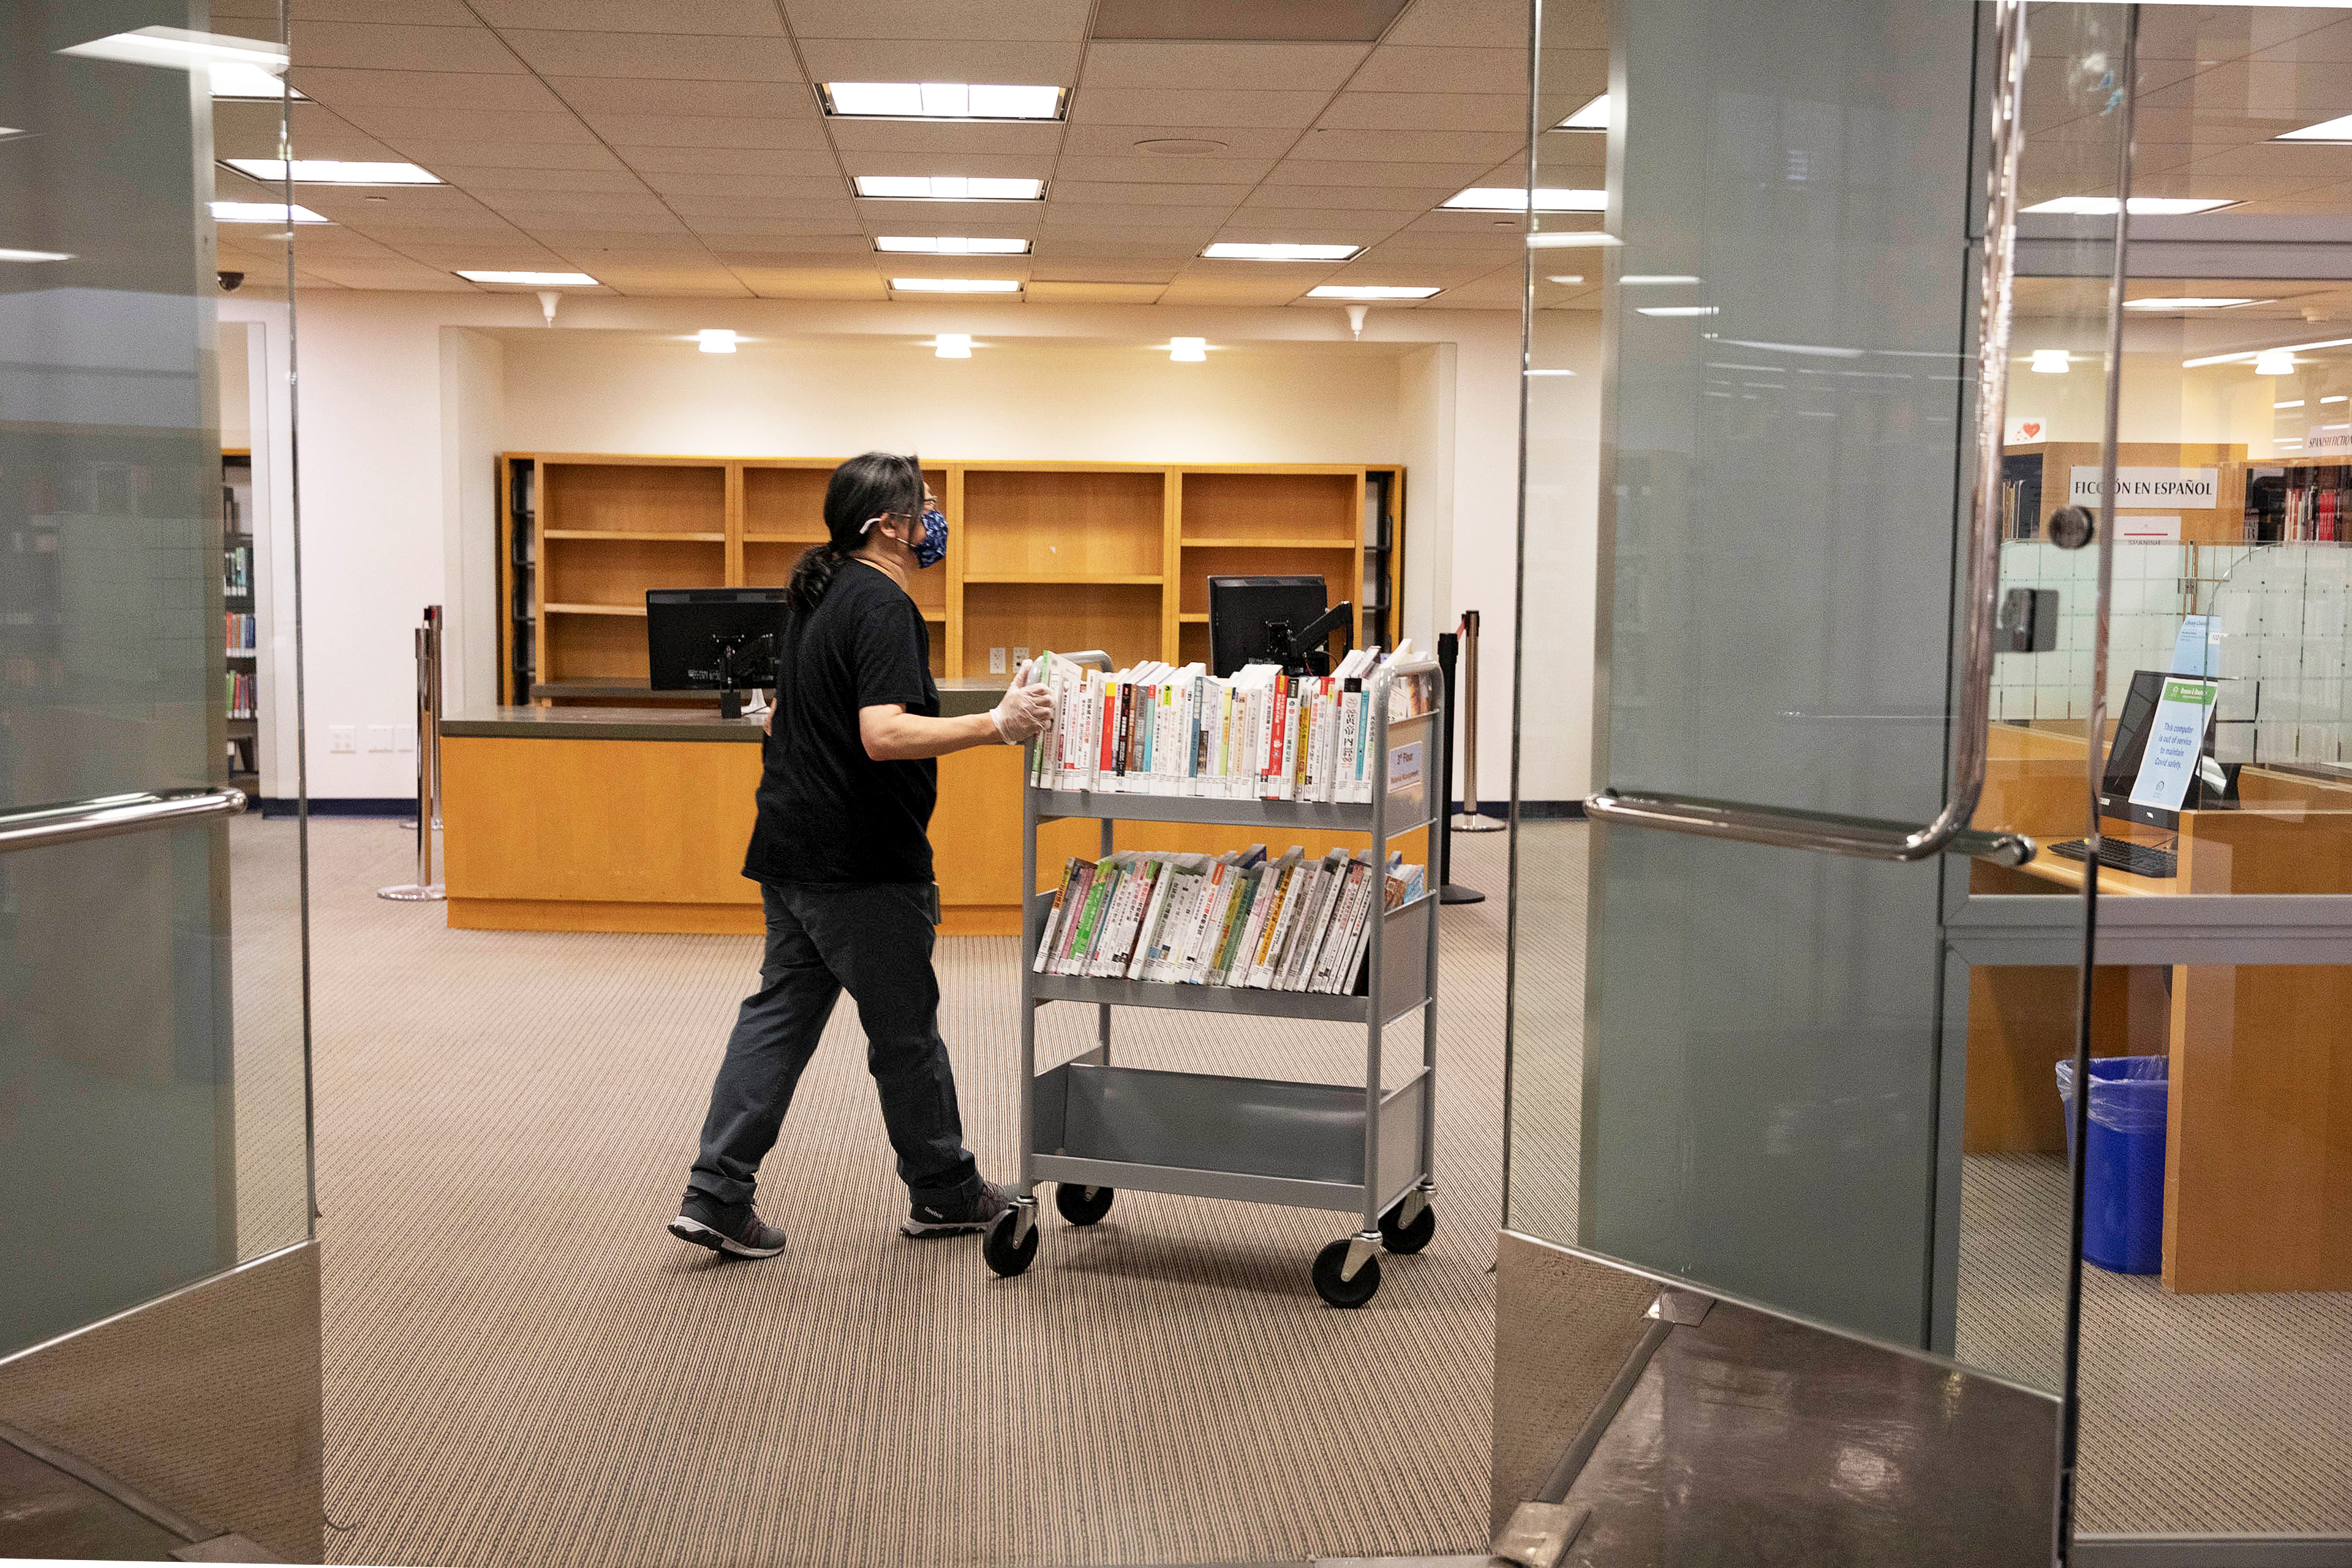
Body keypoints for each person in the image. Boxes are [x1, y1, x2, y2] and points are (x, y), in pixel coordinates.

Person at [669, 451, 1052, 1259]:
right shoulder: (881, 604)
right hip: (862, 862)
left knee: (778, 1017)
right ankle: (945, 1189)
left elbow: (786, 719)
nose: (932, 522)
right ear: (888, 524)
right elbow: (883, 734)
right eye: (923, 509)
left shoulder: (819, 593)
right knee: (906, 1034)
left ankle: (716, 1192)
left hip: (792, 849)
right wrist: (999, 723)